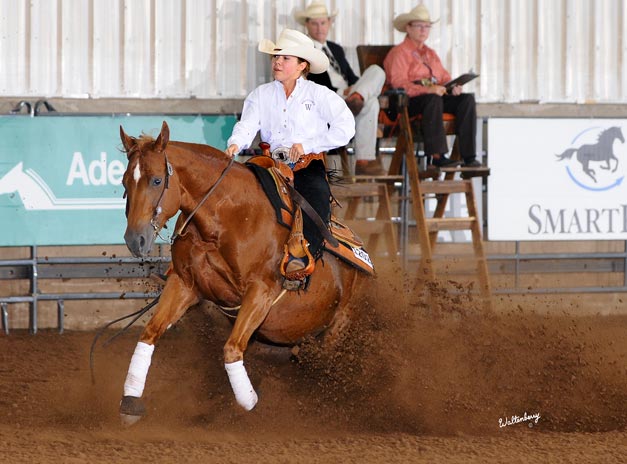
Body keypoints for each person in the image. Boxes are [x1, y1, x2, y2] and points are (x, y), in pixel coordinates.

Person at [225, 28, 355, 275]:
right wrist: (235, 144)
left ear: (301, 65)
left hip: (307, 164)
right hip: (269, 165)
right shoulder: (261, 95)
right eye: (276, 57)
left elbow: (346, 128)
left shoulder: (318, 94)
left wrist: (308, 145)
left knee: (316, 197)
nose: (277, 62)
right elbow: (247, 125)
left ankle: (304, 255)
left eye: (285, 58)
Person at [295, 1, 386, 175]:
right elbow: (309, 83)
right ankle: (363, 161)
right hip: (328, 97)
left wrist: (354, 89)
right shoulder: (304, 50)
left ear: (329, 23)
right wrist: (340, 92)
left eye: (323, 23)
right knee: (372, 102)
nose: (319, 28)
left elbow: (351, 76)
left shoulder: (335, 48)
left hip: (348, 97)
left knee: (376, 70)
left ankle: (357, 97)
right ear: (307, 24)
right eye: (314, 23)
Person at [383, 4, 481, 168]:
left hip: (433, 98)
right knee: (433, 99)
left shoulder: (430, 54)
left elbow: (444, 77)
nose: (424, 30)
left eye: (427, 26)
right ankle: (437, 156)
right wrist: (428, 90)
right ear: (408, 28)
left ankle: (469, 157)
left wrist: (452, 87)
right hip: (408, 102)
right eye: (419, 26)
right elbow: (399, 83)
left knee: (466, 100)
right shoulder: (399, 53)